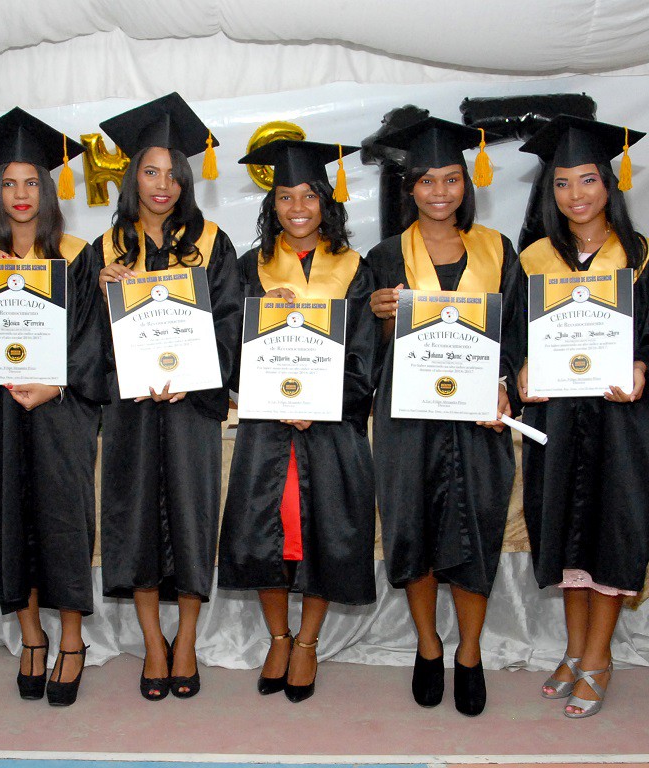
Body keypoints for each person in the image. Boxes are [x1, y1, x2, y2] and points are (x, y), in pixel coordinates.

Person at [514, 116, 649, 718]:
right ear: (550, 192)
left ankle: (599, 656)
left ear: (609, 184)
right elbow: (514, 337)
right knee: (564, 532)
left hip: (620, 420)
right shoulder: (534, 259)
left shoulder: (640, 256)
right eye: (562, 183)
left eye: (588, 179)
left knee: (610, 530)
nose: (576, 194)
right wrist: (520, 370)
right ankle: (574, 648)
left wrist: (643, 365)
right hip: (557, 420)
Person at [367, 116, 521, 717]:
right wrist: (380, 316)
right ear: (410, 188)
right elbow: (373, 350)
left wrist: (506, 387)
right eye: (426, 180)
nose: (439, 191)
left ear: (466, 183)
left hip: (477, 415)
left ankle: (470, 652)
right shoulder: (385, 256)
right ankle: (428, 646)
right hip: (407, 416)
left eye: (451, 179)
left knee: (475, 529)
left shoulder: (497, 249)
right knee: (414, 529)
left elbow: (516, 333)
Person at [92, 92, 243, 701]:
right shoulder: (105, 250)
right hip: (130, 409)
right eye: (150, 172)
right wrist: (100, 294)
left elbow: (230, 323)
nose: (162, 185)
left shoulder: (213, 244)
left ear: (185, 181)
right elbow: (86, 342)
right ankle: (154, 643)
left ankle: (187, 642)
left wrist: (199, 377)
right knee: (135, 524)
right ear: (133, 177)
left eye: (173, 174)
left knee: (189, 520)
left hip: (191, 407)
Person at [0, 107, 108, 706]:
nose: (21, 195)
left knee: (65, 521)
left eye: (31, 183)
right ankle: (31, 637)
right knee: (10, 516)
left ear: (48, 189)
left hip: (61, 411)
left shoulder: (78, 255)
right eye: (8, 184)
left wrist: (58, 383)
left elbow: (94, 338)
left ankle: (71, 640)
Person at [218, 140, 377, 703]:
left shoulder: (356, 268)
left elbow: (365, 355)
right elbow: (229, 352)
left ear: (326, 202)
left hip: (330, 429)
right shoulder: (250, 268)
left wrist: (324, 403)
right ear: (272, 205)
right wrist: (261, 317)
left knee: (323, 535)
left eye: (309, 195)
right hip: (267, 429)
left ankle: (307, 643)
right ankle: (278, 638)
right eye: (285, 197)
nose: (298, 207)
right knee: (265, 537)